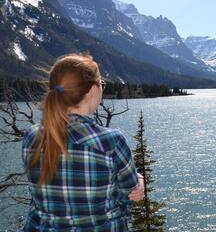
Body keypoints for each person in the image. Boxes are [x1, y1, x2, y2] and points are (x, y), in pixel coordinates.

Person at [21, 53, 144, 231]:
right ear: (92, 90)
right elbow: (130, 195)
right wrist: (139, 181)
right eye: (102, 84)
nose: (102, 88)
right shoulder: (111, 141)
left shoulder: (32, 136)